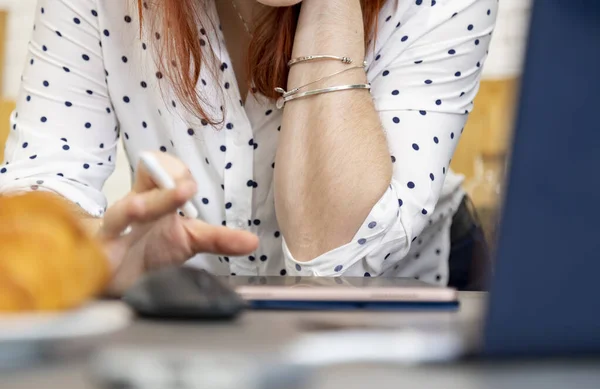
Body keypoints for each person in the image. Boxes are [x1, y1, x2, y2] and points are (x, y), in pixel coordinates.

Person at [0, 0, 496, 294]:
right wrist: (104, 260)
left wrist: (331, 12)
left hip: (408, 314)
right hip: (194, 333)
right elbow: (33, 198)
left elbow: (340, 253)